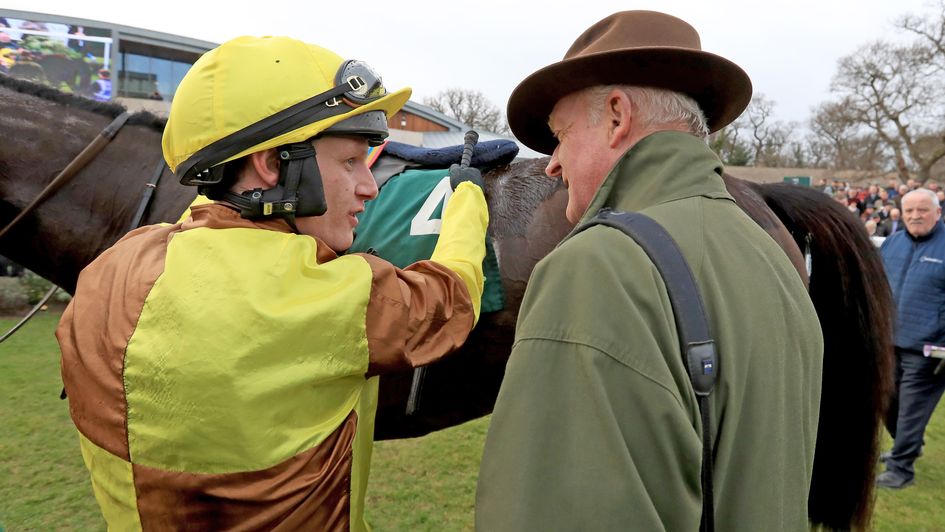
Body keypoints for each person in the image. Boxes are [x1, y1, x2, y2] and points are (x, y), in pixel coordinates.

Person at [56, 36, 489, 529]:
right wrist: (466, 200)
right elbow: (451, 298)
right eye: (350, 162)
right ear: (270, 163)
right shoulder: (328, 295)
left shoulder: (110, 268)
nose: (368, 186)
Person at [475, 11, 823, 531]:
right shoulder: (770, 257)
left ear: (617, 117)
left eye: (561, 135)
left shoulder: (597, 266)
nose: (552, 163)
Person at [876, 188, 945, 489]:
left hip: (930, 348)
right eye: (910, 211)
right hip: (890, 341)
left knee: (912, 409)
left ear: (937, 213)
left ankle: (901, 469)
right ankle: (907, 445)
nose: (916, 216)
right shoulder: (893, 243)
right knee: (886, 402)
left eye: (923, 210)